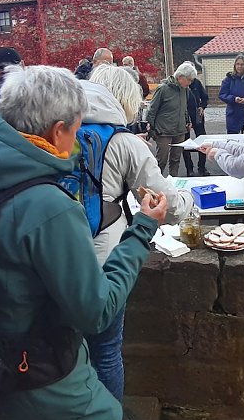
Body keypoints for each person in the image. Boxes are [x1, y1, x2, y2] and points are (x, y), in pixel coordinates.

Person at [0, 64, 167, 420]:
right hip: (38, 364)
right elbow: (97, 312)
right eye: (76, 130)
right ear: (58, 130)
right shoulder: (48, 205)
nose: (78, 140)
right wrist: (142, 229)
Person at [80, 65, 192, 400]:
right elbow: (162, 200)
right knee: (106, 350)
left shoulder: (55, 131)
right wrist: (188, 200)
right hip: (103, 258)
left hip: (53, 254)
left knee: (67, 353)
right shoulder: (124, 141)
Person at [146, 62, 195, 177]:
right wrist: (152, 129)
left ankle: (174, 182)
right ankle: (157, 183)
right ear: (180, 77)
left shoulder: (185, 90)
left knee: (176, 160)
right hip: (163, 131)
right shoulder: (163, 89)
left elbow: (184, 108)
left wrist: (187, 121)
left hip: (180, 130)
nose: (190, 83)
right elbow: (152, 110)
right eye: (188, 80)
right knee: (161, 161)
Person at [219, 54, 244, 134]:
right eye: (238, 64)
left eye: (242, 64)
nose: (240, 66)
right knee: (232, 138)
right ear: (235, 65)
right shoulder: (229, 79)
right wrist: (233, 98)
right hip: (233, 113)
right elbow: (222, 94)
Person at [183, 68, 209, 177]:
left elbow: (205, 98)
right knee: (185, 142)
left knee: (202, 140)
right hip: (184, 115)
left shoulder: (197, 83)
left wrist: (202, 107)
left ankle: (202, 167)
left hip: (197, 114)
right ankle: (189, 168)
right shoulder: (181, 84)